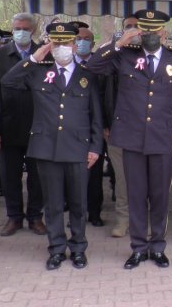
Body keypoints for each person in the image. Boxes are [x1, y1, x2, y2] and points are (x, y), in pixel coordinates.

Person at [86, 9, 172, 269]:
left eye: (155, 31)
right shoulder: (124, 56)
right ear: (139, 32)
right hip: (131, 138)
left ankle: (157, 246)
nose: (151, 35)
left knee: (159, 196)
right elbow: (92, 65)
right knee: (135, 195)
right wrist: (118, 42)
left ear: (164, 33)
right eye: (145, 31)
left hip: (162, 138)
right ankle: (138, 248)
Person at [1, 23, 103, 270]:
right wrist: (34, 58)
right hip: (46, 147)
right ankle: (56, 248)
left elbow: (96, 116)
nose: (61, 48)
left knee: (79, 204)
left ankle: (78, 247)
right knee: (53, 204)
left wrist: (95, 147)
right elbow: (8, 80)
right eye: (56, 43)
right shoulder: (38, 71)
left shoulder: (87, 75)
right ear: (50, 44)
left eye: (65, 43)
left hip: (78, 147)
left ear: (74, 44)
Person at [0, 13, 47, 237]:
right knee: (9, 176)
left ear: (32, 30)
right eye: (17, 28)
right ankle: (14, 217)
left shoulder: (44, 54)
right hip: (8, 125)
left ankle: (35, 217)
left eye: (25, 28)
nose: (20, 31)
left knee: (38, 176)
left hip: (37, 125)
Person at [104, 16, 139, 238]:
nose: (133, 31)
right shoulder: (114, 57)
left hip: (148, 131)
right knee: (123, 179)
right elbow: (102, 92)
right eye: (129, 27)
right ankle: (123, 218)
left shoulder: (158, 57)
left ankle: (140, 220)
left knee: (145, 179)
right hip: (117, 129)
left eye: (138, 27)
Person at [69, 21, 106, 228]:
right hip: (72, 127)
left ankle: (94, 212)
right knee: (74, 175)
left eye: (86, 40)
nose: (82, 43)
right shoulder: (65, 64)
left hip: (96, 125)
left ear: (93, 44)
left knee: (95, 172)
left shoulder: (100, 64)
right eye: (78, 39)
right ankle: (77, 213)